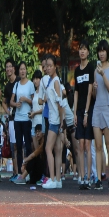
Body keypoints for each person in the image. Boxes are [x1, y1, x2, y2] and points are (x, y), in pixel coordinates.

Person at [91, 40, 109, 190]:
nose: (101, 53)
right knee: (98, 146)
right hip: (97, 108)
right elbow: (95, 95)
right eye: (99, 51)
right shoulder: (96, 70)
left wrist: (103, 75)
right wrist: (94, 88)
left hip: (108, 108)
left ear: (107, 52)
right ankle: (98, 178)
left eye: (103, 51)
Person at [73, 40, 95, 189]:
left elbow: (89, 92)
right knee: (80, 145)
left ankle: (88, 177)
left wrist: (86, 112)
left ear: (88, 52)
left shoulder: (90, 68)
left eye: (85, 49)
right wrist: (75, 112)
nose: (82, 51)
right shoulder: (76, 70)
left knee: (88, 145)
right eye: (80, 49)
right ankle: (81, 176)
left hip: (89, 109)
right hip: (79, 110)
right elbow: (76, 92)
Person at [10, 61, 35, 183]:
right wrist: (16, 104)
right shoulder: (16, 85)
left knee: (28, 146)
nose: (22, 71)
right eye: (20, 69)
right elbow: (11, 101)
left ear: (26, 70)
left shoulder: (30, 84)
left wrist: (26, 99)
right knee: (18, 146)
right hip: (17, 119)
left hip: (27, 119)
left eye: (24, 69)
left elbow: (34, 102)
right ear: (18, 71)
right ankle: (20, 173)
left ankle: (28, 172)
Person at [42, 54, 65, 189]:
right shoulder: (51, 81)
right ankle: (57, 180)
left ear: (55, 66)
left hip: (54, 121)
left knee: (48, 148)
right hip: (54, 119)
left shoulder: (56, 81)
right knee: (57, 150)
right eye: (47, 66)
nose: (48, 68)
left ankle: (52, 178)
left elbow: (60, 103)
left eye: (51, 66)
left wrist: (61, 122)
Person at [2, 58, 17, 175]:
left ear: (14, 68)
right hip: (12, 119)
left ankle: (24, 172)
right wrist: (8, 112)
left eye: (10, 66)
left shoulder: (19, 82)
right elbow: (3, 102)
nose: (8, 69)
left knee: (22, 146)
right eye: (6, 67)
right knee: (13, 146)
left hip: (23, 118)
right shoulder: (7, 87)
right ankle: (16, 173)